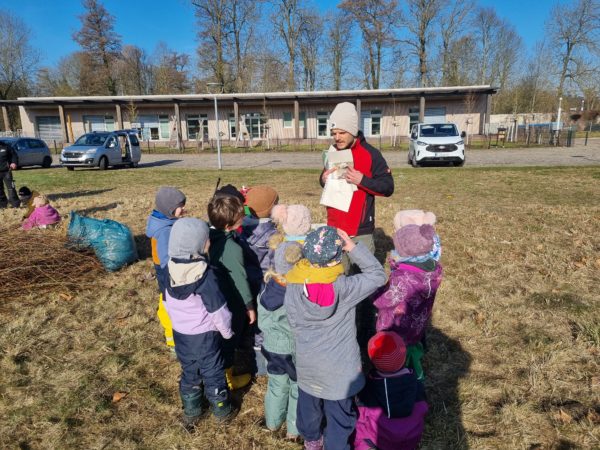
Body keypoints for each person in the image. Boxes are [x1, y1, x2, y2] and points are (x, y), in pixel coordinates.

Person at [285, 226, 387, 450]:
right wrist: (353, 247)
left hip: (308, 365)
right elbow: (378, 276)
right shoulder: (346, 288)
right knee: (340, 418)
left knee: (308, 409)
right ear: (337, 257)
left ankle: (312, 440)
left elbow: (292, 322)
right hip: (340, 373)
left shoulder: (293, 284)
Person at [162, 218, 236, 428]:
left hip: (181, 335)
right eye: (206, 240)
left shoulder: (169, 270)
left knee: (189, 371)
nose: (209, 243)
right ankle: (222, 410)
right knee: (213, 372)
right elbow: (218, 310)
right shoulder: (206, 275)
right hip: (205, 337)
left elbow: (166, 301)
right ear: (198, 245)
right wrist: (227, 333)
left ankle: (192, 410)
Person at [372, 210, 443, 380]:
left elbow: (388, 299)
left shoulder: (403, 277)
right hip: (417, 322)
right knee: (413, 348)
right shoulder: (432, 268)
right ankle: (415, 373)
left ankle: (407, 380)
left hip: (398, 325)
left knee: (400, 356)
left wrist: (373, 293)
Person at [319, 102, 394, 253]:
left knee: (362, 273)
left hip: (360, 231)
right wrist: (323, 178)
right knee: (338, 273)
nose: (337, 138)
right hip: (334, 226)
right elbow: (324, 176)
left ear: (352, 131)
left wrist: (362, 180)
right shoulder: (333, 150)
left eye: (342, 133)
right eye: (334, 133)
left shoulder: (371, 154)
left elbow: (388, 187)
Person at [207, 194, 255, 390]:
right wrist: (249, 305)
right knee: (230, 337)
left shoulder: (207, 237)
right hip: (231, 300)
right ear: (228, 225)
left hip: (214, 296)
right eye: (240, 216)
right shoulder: (232, 249)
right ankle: (227, 377)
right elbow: (240, 280)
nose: (244, 216)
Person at [258, 239, 303, 441]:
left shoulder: (267, 290)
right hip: (297, 351)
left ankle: (272, 423)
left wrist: (271, 336)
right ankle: (294, 431)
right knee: (297, 388)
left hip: (273, 348)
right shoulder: (303, 292)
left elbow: (263, 321)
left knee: (276, 386)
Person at [353, 331, 428, 450]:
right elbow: (423, 408)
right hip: (410, 439)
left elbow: (361, 416)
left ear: (373, 362)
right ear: (404, 358)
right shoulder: (416, 383)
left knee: (358, 425)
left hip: (381, 441)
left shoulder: (368, 388)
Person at [145, 187, 187, 349]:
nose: (183, 209)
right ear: (169, 208)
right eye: (180, 206)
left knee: (167, 299)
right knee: (170, 301)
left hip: (165, 269)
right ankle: (173, 340)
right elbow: (166, 260)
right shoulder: (164, 231)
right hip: (168, 272)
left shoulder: (161, 220)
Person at [0, 141, 20, 208]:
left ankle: (15, 204)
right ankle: (2, 205)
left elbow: (14, 155)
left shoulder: (6, 146)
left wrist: (14, 162)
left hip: (7, 171)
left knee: (11, 188)